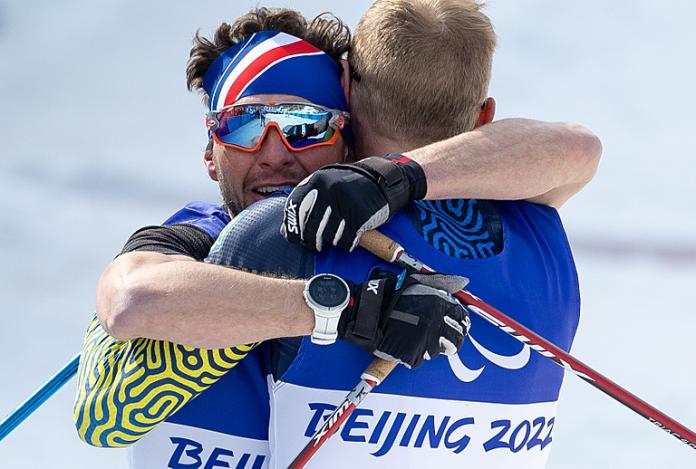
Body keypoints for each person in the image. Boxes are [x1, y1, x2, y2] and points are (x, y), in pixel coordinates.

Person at [74, 4, 600, 469]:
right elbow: (113, 369)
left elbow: (575, 148)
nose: (276, 153)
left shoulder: (391, 206)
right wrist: (349, 313)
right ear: (210, 151)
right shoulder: (206, 238)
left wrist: (392, 178)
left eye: (305, 125)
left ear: (346, 133)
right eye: (242, 126)